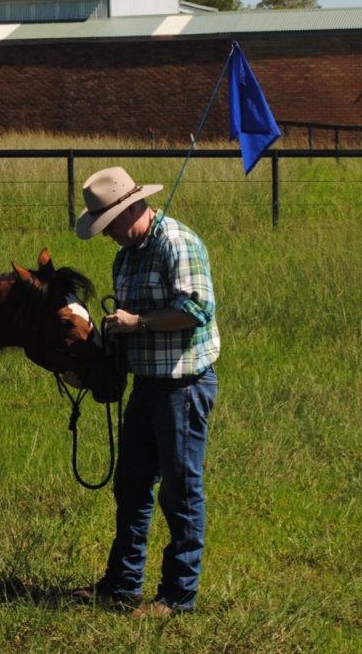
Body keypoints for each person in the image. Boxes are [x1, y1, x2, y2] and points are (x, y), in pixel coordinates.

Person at [69, 166, 220, 618]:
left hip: (184, 384)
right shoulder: (126, 255)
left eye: (109, 225)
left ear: (132, 208)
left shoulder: (176, 242)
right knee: (132, 486)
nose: (107, 236)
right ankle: (122, 585)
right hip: (147, 383)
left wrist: (141, 323)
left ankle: (177, 596)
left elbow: (198, 308)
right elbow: (127, 321)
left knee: (180, 490)